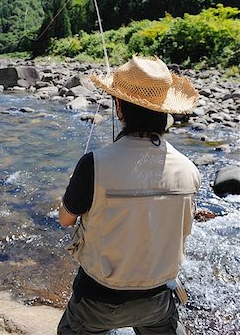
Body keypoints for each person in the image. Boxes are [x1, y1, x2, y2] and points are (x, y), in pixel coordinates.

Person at [58, 56, 201, 335]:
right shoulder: (188, 169)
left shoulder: (94, 164)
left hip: (97, 300)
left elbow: (66, 219)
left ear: (119, 107)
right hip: (158, 299)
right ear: (165, 111)